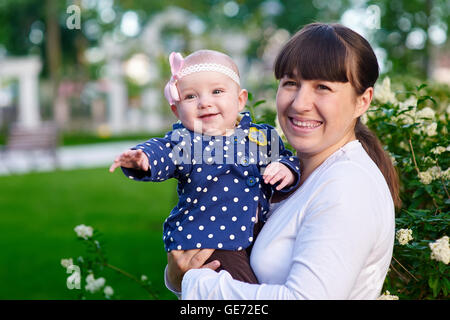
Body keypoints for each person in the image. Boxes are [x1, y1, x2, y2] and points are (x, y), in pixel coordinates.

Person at [165, 23, 400, 299]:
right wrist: (176, 274)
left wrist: (193, 282)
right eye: (291, 83)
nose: (300, 103)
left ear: (362, 101)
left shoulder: (347, 186)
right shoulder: (291, 171)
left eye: (322, 87)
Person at [109, 49, 301, 284]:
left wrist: (286, 168)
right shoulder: (187, 142)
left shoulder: (261, 136)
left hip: (251, 238)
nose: (205, 103)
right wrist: (143, 159)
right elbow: (164, 151)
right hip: (208, 243)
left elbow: (288, 158)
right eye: (191, 97)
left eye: (217, 91)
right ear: (176, 110)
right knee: (242, 289)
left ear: (240, 99)